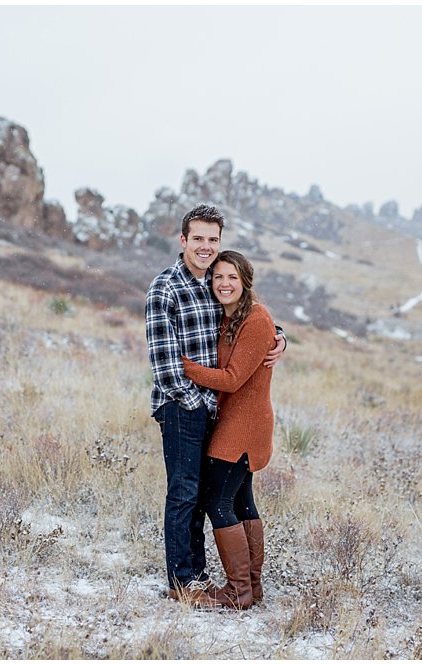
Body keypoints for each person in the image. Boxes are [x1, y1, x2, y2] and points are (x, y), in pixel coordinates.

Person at [145, 204, 284, 608]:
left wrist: (279, 336)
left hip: (219, 411)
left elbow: (246, 317)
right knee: (186, 494)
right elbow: (167, 368)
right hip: (183, 407)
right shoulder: (165, 288)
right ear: (183, 240)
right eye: (198, 239)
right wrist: (196, 404)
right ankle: (183, 582)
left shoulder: (210, 282)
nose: (206, 247)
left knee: (219, 497)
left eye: (213, 240)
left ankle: (233, 584)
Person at [182, 251, 275, 610]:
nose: (223, 283)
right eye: (218, 277)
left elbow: (233, 379)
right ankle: (251, 586)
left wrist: (184, 365)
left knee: (216, 500)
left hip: (244, 424)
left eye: (232, 277)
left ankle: (238, 592)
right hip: (238, 419)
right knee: (239, 500)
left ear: (245, 282)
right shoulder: (231, 316)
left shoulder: (255, 318)